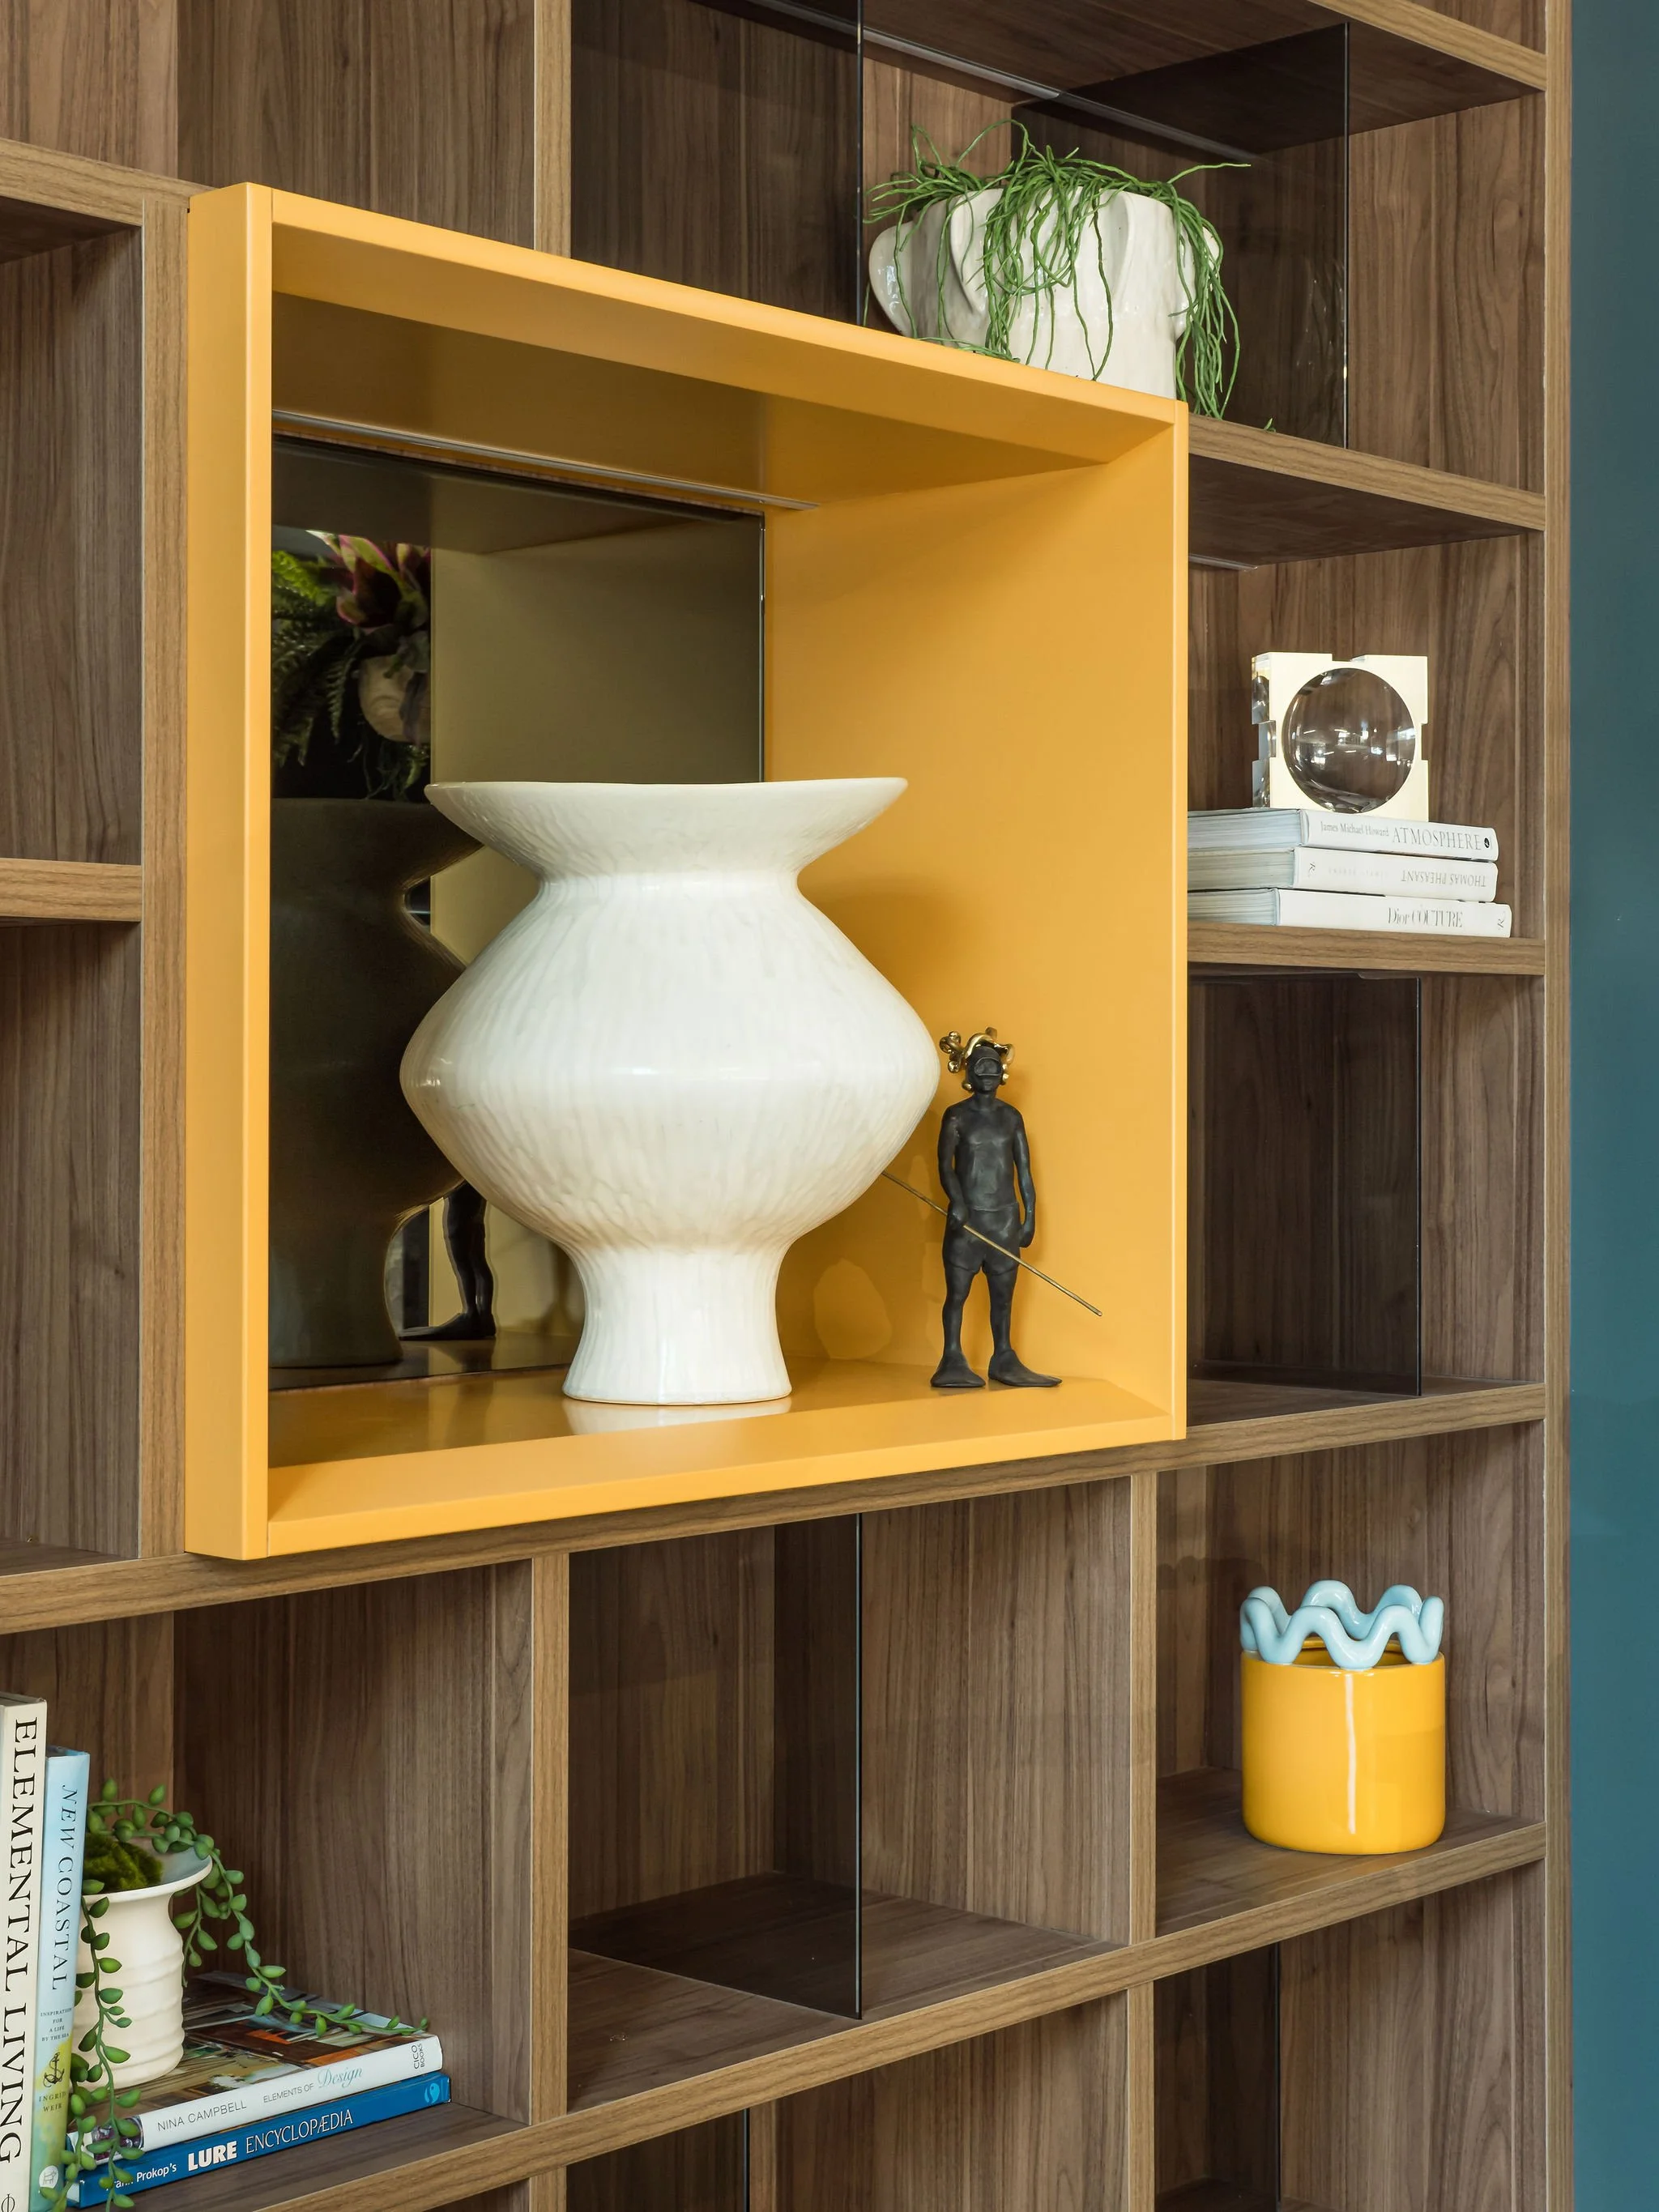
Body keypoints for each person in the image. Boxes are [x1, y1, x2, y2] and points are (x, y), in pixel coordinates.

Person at [931, 1029, 1059, 1390]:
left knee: (1003, 1298)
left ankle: (1004, 1356)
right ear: (968, 1073)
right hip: (968, 1220)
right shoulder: (955, 1117)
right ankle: (952, 1357)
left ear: (1001, 1072)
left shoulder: (1011, 1117)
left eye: (993, 1065)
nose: (987, 1072)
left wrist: (1029, 1216)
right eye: (979, 1066)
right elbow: (945, 1167)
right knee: (957, 1294)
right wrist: (956, 1201)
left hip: (1004, 1220)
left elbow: (1024, 1171)